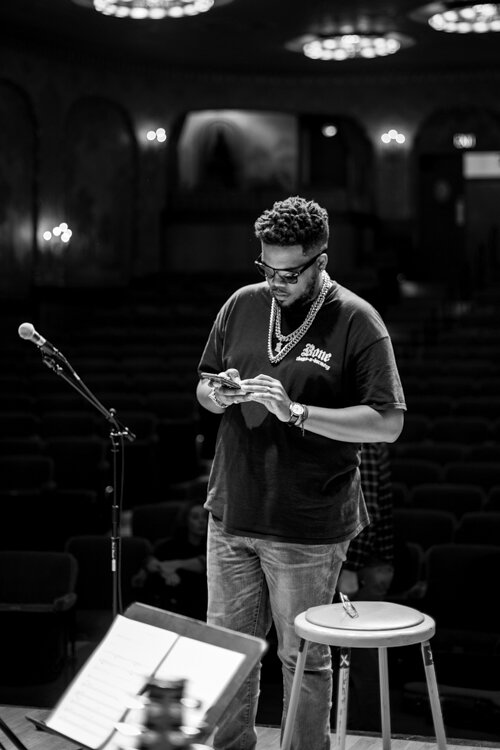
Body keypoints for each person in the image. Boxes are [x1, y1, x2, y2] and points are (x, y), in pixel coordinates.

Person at [195, 195, 406, 750]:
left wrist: (298, 412)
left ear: (321, 260)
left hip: (308, 523)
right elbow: (204, 382)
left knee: (303, 660)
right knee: (228, 651)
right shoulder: (242, 303)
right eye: (267, 267)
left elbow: (387, 423)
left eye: (290, 272)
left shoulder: (358, 319)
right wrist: (216, 394)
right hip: (234, 508)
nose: (276, 281)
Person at [131, 500, 208, 620]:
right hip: (171, 603)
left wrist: (170, 565)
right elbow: (150, 563)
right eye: (195, 517)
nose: (202, 521)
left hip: (200, 604)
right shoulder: (169, 544)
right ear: (186, 520)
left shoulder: (212, 545)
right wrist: (165, 571)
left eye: (204, 517)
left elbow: (202, 564)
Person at [338, 442, 395, 601]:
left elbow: (366, 511)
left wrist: (351, 568)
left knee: (355, 624)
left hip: (365, 563)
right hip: (360, 561)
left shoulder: (365, 443)